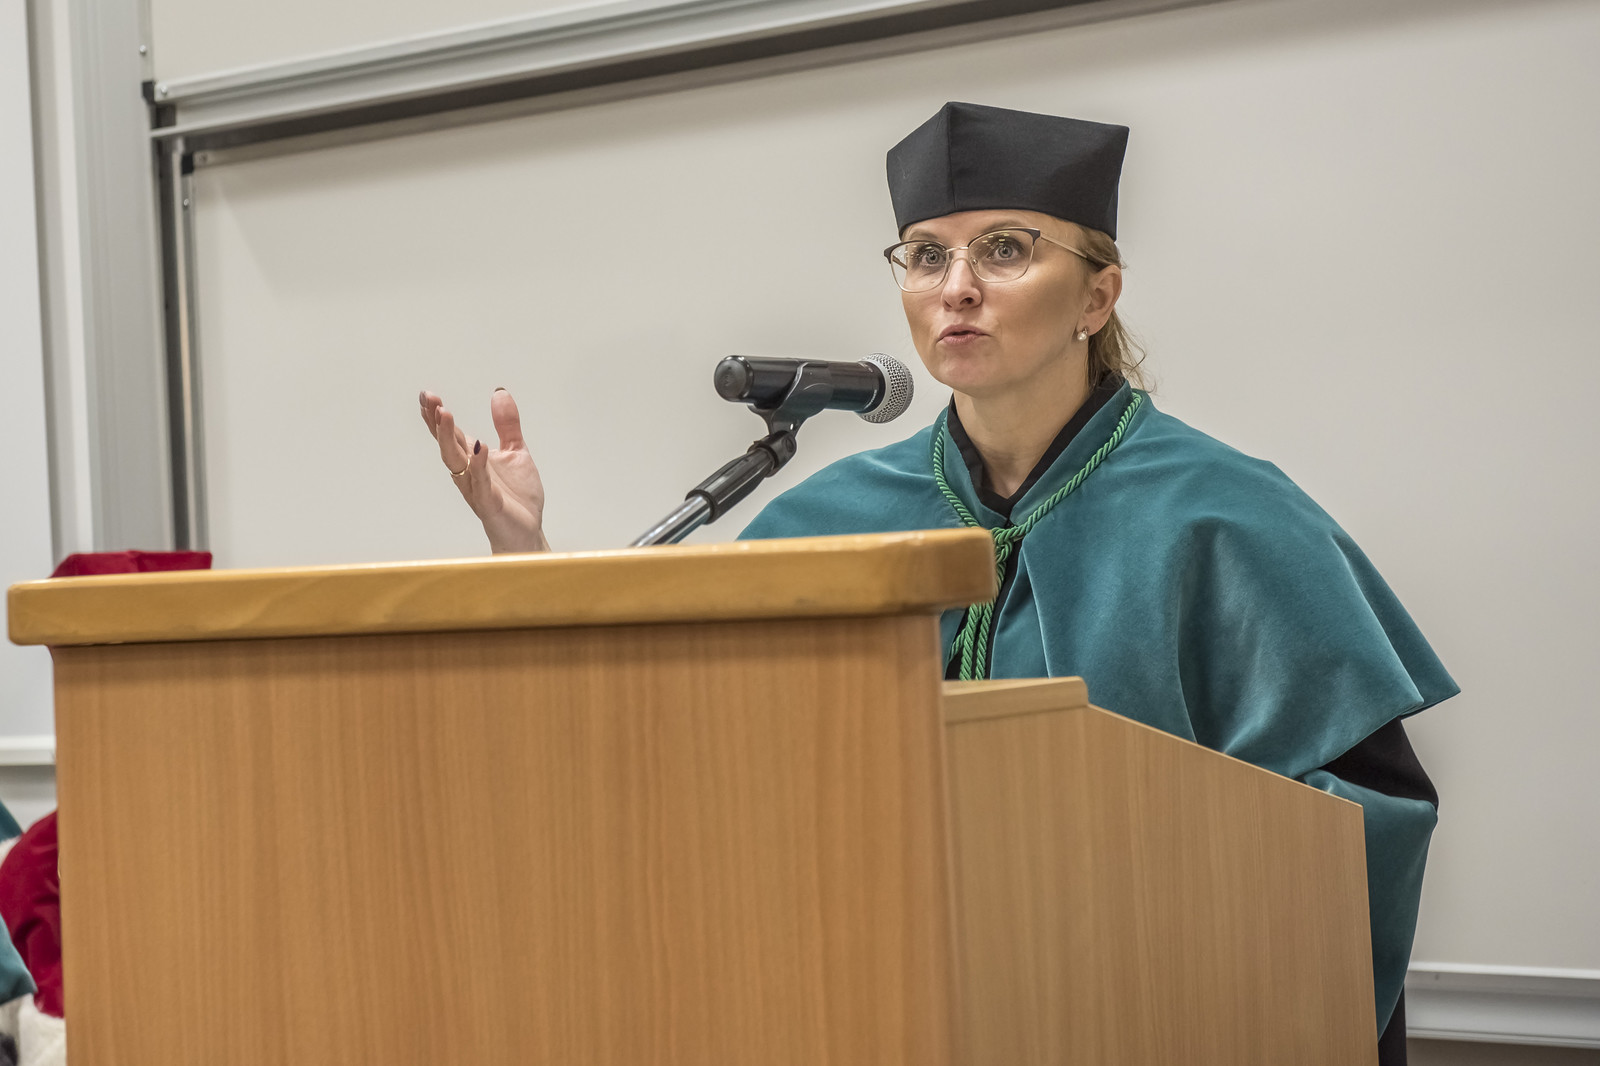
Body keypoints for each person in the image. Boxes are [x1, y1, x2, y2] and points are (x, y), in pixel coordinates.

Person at [419, 101, 1455, 1064]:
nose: (956, 286)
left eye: (1004, 248)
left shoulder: (1227, 516)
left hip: (1127, 1017)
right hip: (867, 1012)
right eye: (925, 255)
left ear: (1098, 295)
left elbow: (1356, 830)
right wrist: (527, 558)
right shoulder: (829, 519)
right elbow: (672, 745)